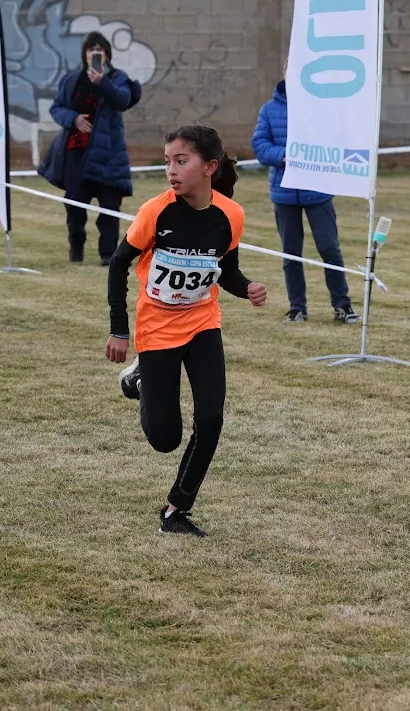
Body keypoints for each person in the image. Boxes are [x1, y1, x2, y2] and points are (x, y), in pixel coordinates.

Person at [105, 125, 268, 537]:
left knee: (211, 418)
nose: (171, 171)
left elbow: (226, 271)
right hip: (157, 329)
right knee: (165, 439)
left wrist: (247, 287)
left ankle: (176, 510)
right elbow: (119, 264)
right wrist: (119, 330)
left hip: (202, 324)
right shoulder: (155, 212)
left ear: (209, 167)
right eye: (167, 162)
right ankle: (141, 378)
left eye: (181, 161)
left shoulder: (230, 215)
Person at [251, 75, 359, 325]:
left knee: (329, 248)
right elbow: (260, 146)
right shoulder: (269, 110)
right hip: (284, 193)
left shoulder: (322, 107)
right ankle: (297, 308)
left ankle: (342, 305)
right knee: (291, 254)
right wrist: (284, 155)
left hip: (318, 190)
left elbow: (337, 138)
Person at [40, 32, 142, 265]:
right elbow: (57, 108)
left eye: (100, 50)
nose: (95, 53)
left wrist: (102, 82)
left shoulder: (117, 78)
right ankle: (76, 249)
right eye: (90, 50)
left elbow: (123, 100)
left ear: (107, 55)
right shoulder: (71, 80)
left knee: (110, 208)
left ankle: (108, 255)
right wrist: (74, 119)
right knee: (75, 207)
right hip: (77, 153)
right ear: (84, 54)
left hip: (109, 154)